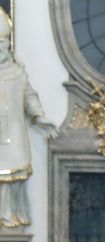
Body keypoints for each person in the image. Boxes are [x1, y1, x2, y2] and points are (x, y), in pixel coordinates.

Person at [0, 8, 59, 227]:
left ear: (8, 47)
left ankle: (10, 213)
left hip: (14, 133)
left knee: (14, 175)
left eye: (2, 45)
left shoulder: (18, 73)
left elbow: (29, 97)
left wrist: (39, 117)